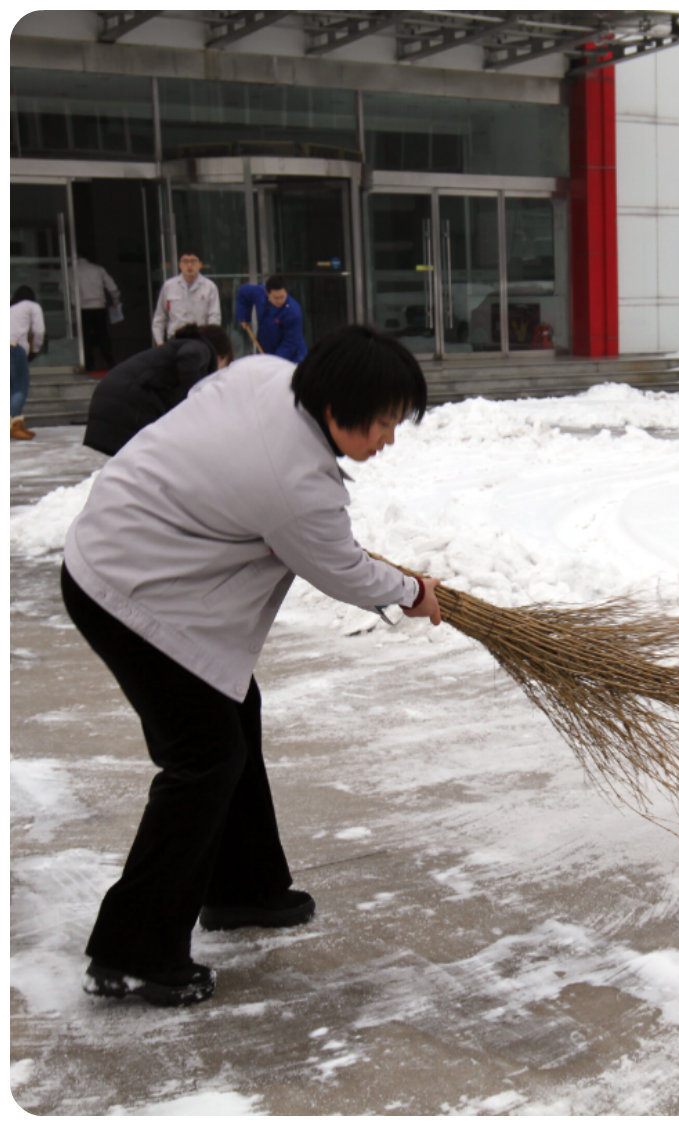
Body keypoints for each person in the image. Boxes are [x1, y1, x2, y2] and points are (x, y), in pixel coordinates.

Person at [60, 324, 442, 1007]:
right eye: (383, 422)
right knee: (203, 759)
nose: (388, 439)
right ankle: (133, 954)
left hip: (130, 548)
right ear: (338, 407)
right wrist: (413, 592)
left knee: (235, 715)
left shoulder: (264, 374)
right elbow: (341, 570)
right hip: (128, 593)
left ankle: (244, 890)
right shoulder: (295, 482)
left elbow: (209, 405)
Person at [83, 323, 234, 456]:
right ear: (221, 357)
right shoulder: (201, 348)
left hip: (113, 402)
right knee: (157, 461)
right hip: (126, 406)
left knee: (144, 467)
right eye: (224, 366)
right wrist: (193, 401)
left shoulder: (178, 346)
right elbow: (189, 357)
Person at [152, 250, 221, 345]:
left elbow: (214, 317)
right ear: (179, 265)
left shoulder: (209, 287)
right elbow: (160, 317)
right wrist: (160, 342)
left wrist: (210, 341)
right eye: (185, 261)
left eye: (193, 261)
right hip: (175, 339)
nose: (189, 265)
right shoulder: (169, 286)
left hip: (200, 340)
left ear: (200, 264)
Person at [235, 275, 307, 362]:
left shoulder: (293, 311)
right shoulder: (259, 293)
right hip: (264, 349)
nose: (280, 301)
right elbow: (243, 292)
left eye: (282, 297)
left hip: (291, 357)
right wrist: (243, 317)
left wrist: (273, 361)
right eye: (276, 298)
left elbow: (290, 343)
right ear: (267, 293)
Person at [10, 285, 46, 441]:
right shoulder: (32, 306)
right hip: (13, 347)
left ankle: (17, 422)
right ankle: (13, 426)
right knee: (20, 386)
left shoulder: (10, 308)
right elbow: (39, 330)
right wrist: (36, 349)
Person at [76, 255, 121, 374]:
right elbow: (112, 287)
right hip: (99, 306)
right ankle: (110, 362)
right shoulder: (98, 269)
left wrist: (72, 303)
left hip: (82, 308)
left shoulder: (72, 270)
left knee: (84, 338)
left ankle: (88, 364)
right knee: (103, 335)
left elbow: (62, 288)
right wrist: (115, 300)